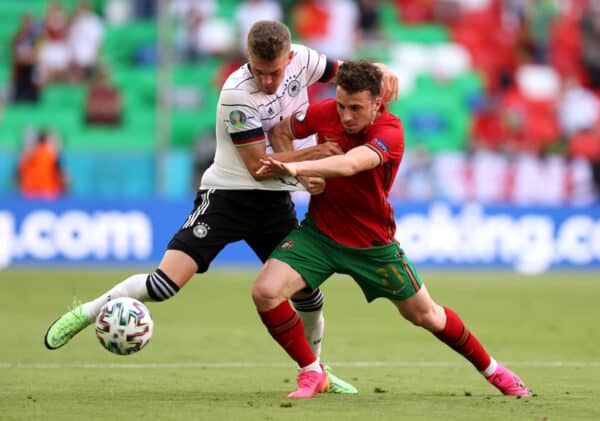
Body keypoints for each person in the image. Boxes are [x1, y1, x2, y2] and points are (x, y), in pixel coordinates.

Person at [44, 20, 399, 394]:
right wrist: (315, 156)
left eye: (274, 72)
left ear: (291, 58)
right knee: (163, 285)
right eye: (259, 72)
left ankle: (315, 370)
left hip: (274, 201)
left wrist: (380, 69)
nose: (266, 81)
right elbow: (258, 167)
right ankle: (87, 311)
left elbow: (351, 74)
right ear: (247, 59)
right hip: (228, 195)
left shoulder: (306, 61)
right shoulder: (236, 95)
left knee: (307, 294)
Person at [252, 60, 532, 399]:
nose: (346, 116)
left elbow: (351, 163)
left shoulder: (390, 132)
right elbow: (281, 131)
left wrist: (297, 168)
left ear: (377, 103)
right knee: (265, 291)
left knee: (428, 316)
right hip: (320, 234)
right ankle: (312, 372)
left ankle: (495, 371)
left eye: (356, 108)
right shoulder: (325, 111)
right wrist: (295, 165)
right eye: (341, 106)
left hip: (372, 245)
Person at [17, 129, 69, 200]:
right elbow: (63, 175)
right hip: (48, 193)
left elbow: (20, 173)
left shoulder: (28, 154)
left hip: (30, 193)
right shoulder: (52, 154)